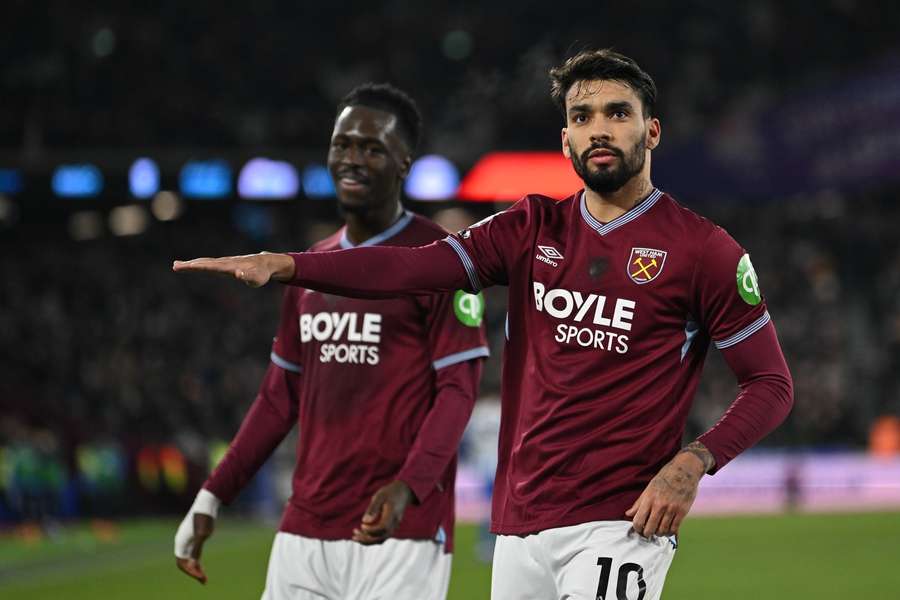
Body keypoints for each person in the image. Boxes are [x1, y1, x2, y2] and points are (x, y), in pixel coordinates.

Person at [174, 50, 793, 600]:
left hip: (622, 522)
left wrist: (692, 463)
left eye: (617, 113)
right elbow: (409, 270)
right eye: (582, 118)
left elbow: (770, 383)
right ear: (565, 142)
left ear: (651, 131)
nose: (598, 129)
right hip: (519, 525)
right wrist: (287, 265)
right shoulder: (529, 228)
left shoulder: (705, 251)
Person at [173, 83, 489, 600]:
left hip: (397, 530)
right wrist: (214, 493)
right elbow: (279, 399)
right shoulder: (309, 269)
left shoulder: (441, 261)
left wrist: (410, 486)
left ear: (404, 162)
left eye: (372, 148)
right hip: (304, 528)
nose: (352, 159)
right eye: (343, 144)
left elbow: (458, 391)